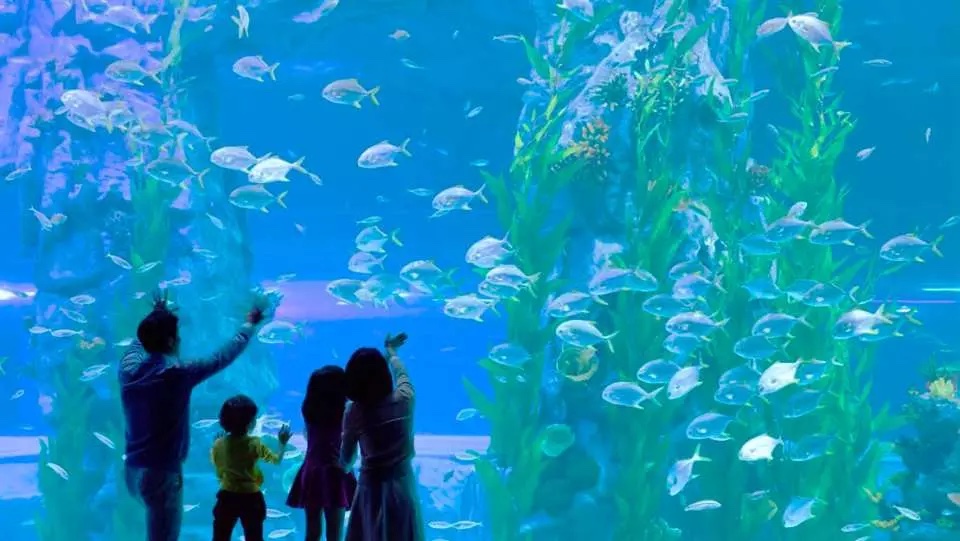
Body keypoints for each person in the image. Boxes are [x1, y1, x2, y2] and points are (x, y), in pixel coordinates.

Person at [119, 289, 270, 541]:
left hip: (132, 471)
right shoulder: (178, 373)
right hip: (161, 473)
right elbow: (222, 357)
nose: (179, 341)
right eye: (177, 337)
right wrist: (249, 324)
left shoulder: (127, 370)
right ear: (171, 341)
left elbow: (139, 343)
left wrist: (157, 314)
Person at [341, 332, 424, 541]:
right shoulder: (405, 398)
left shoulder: (355, 411)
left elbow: (346, 460)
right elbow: (402, 375)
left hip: (370, 491)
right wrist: (392, 353)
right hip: (403, 486)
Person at [286, 366, 357, 541]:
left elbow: (308, 436)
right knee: (335, 534)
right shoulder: (346, 412)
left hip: (311, 470)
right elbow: (350, 446)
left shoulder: (309, 410)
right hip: (336, 471)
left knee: (312, 532)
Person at [211, 394, 292, 541]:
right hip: (251, 498)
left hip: (226, 497)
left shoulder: (218, 444)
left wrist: (217, 445)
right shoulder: (254, 443)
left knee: (220, 536)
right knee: (254, 536)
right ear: (250, 423)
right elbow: (276, 460)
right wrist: (282, 443)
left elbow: (218, 468)